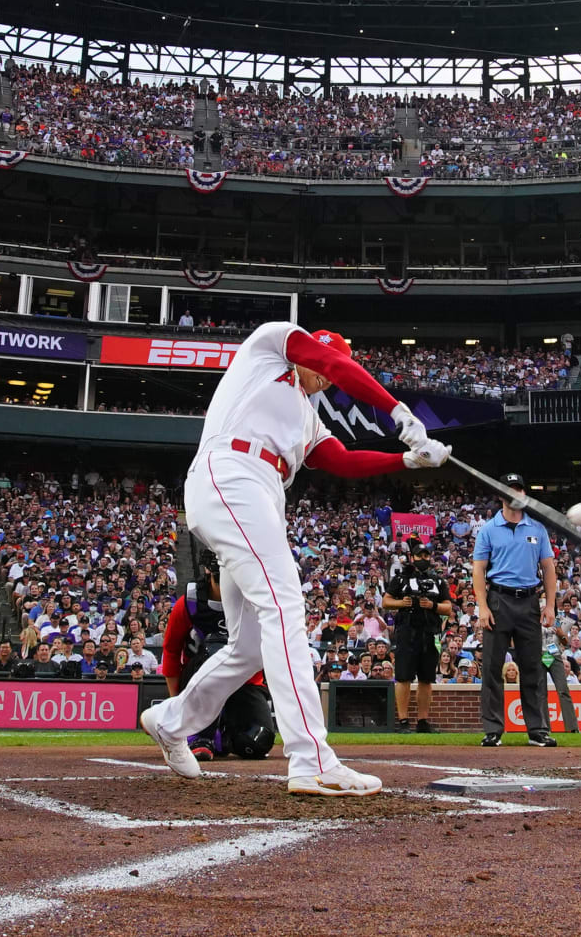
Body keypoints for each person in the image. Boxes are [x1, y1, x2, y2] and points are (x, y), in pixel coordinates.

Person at [142, 322, 450, 797]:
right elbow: (332, 363)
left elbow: (341, 459)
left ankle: (170, 719)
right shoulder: (269, 346)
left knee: (248, 647)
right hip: (232, 472)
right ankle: (311, 760)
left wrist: (405, 461)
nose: (327, 375)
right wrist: (397, 412)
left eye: (333, 367)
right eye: (328, 360)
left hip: (262, 493)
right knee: (284, 606)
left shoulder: (307, 416)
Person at [160, 548, 274, 760]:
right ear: (209, 573)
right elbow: (171, 651)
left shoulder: (251, 601)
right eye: (222, 581)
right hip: (199, 676)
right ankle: (198, 733)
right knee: (217, 647)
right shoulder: (190, 603)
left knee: (257, 742)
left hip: (244, 681)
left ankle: (224, 734)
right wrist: (176, 702)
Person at [473, 473, 558, 747]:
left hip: (529, 600)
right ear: (500, 493)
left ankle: (537, 729)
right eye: (509, 489)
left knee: (532, 666)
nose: (514, 494)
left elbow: (548, 568)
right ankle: (493, 729)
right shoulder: (488, 529)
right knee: (492, 666)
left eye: (519, 489)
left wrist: (550, 606)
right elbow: (479, 570)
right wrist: (482, 607)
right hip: (499, 598)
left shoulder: (537, 529)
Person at [379, 553, 454, 733]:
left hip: (429, 633)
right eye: (419, 555)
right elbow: (385, 601)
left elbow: (448, 607)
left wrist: (432, 606)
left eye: (425, 555)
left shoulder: (438, 581)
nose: (423, 558)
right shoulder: (400, 579)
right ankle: (403, 721)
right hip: (406, 632)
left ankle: (423, 721)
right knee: (403, 677)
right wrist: (401, 603)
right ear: (412, 557)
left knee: (426, 679)